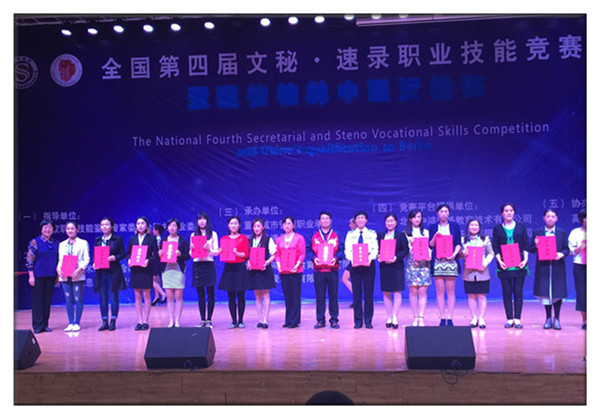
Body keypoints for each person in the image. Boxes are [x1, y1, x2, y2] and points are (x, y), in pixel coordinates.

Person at [530, 209, 569, 330]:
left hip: (558, 266)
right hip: (543, 266)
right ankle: (548, 318)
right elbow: (531, 249)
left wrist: (562, 254)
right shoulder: (538, 232)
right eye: (548, 216)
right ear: (544, 218)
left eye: (553, 216)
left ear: (556, 218)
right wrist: (536, 245)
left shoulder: (562, 233)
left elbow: (566, 249)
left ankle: (557, 318)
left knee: (558, 292)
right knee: (546, 293)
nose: (550, 218)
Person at [492, 203, 530, 329]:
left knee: (518, 292)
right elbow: (495, 246)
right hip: (504, 265)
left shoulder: (521, 227)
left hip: (519, 264)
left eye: (511, 210)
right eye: (506, 211)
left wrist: (525, 260)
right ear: (501, 213)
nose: (509, 213)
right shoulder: (497, 228)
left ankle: (517, 319)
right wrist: (500, 261)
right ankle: (509, 319)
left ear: (514, 212)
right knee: (507, 292)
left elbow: (526, 244)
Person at [428, 204, 462, 326]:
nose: (443, 213)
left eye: (446, 211)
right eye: (441, 211)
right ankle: (442, 317)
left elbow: (458, 243)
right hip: (438, 262)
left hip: (451, 261)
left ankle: (450, 317)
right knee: (440, 290)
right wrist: (434, 237)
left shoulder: (455, 226)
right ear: (437, 213)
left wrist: (454, 254)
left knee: (451, 290)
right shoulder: (433, 227)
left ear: (449, 213)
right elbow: (430, 245)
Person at [344, 211, 378, 329]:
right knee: (357, 294)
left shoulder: (372, 233)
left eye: (362, 218)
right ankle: (358, 321)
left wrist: (369, 259)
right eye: (358, 218)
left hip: (369, 265)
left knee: (369, 293)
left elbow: (375, 249)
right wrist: (352, 260)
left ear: (366, 220)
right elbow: (347, 250)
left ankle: (368, 320)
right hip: (355, 266)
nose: (360, 220)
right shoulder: (350, 234)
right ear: (355, 220)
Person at [310, 211, 344, 329]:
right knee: (320, 296)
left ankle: (334, 320)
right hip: (318, 270)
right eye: (322, 219)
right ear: (319, 221)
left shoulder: (336, 234)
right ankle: (320, 320)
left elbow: (341, 249)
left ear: (331, 220)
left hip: (333, 269)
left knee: (333, 296)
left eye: (327, 218)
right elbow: (308, 249)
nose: (325, 220)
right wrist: (314, 258)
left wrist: (336, 258)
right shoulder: (314, 235)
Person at [93, 217, 126, 331]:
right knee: (103, 297)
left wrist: (115, 257)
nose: (104, 227)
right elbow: (96, 255)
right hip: (101, 272)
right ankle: (104, 321)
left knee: (113, 296)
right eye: (102, 225)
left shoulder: (117, 239)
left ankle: (113, 321)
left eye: (107, 224)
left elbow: (123, 254)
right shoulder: (98, 240)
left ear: (112, 226)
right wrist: (95, 263)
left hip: (114, 272)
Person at [218, 216, 251, 329]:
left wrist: (236, 253)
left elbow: (245, 255)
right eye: (231, 223)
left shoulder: (243, 238)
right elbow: (223, 255)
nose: (233, 225)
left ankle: (241, 320)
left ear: (239, 225)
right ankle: (233, 321)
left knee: (241, 295)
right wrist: (220, 251)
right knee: (231, 295)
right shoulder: (224, 239)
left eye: (235, 223)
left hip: (240, 267)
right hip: (229, 268)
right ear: (228, 225)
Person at [26, 219, 59, 334]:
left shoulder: (56, 243)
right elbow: (29, 260)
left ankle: (45, 324)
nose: (47, 229)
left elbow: (58, 260)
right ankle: (37, 326)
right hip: (38, 276)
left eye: (50, 227)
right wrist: (31, 276)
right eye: (45, 227)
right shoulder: (35, 242)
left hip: (51, 275)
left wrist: (57, 276)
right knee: (38, 301)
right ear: (41, 229)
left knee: (47, 300)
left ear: (53, 230)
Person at [56, 221, 90, 332]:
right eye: (68, 229)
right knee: (68, 299)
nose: (70, 231)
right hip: (65, 276)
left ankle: (77, 323)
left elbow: (86, 259)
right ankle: (70, 322)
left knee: (78, 298)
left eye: (72, 228)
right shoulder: (62, 244)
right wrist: (58, 269)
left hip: (77, 275)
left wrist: (80, 269)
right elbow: (60, 260)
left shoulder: (83, 243)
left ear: (77, 230)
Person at [377, 213, 409, 329]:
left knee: (397, 292)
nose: (390, 223)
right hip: (385, 267)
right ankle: (389, 316)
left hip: (397, 266)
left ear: (396, 222)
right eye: (388, 221)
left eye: (392, 221)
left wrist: (396, 257)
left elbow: (405, 250)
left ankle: (395, 316)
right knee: (386, 292)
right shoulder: (380, 235)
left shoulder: (401, 235)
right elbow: (377, 249)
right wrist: (378, 255)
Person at [461, 219, 494, 329]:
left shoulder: (485, 239)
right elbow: (459, 255)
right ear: (468, 227)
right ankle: (474, 318)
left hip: (482, 271)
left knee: (481, 295)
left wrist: (485, 263)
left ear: (479, 227)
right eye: (472, 225)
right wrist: (462, 253)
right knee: (471, 295)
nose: (474, 227)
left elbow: (491, 253)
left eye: (476, 225)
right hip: (469, 272)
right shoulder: (463, 240)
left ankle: (481, 318)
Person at [127, 216, 158, 331]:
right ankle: (139, 321)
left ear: (147, 226)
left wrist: (148, 260)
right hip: (135, 270)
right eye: (138, 223)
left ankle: (146, 321)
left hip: (146, 269)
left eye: (142, 223)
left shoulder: (151, 239)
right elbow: (128, 253)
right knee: (137, 295)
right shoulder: (132, 239)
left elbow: (156, 255)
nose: (140, 225)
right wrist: (129, 260)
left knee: (146, 294)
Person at [275, 216, 306, 328]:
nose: (287, 226)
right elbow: (277, 255)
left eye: (289, 223)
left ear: (293, 225)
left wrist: (297, 265)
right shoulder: (279, 239)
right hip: (284, 271)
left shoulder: (299, 238)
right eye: (285, 224)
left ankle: (295, 320)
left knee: (295, 295)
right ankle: (288, 319)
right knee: (287, 295)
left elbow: (302, 254)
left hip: (296, 271)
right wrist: (279, 266)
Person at [158, 218, 190, 328]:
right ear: (167, 227)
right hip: (167, 270)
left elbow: (187, 256)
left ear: (178, 227)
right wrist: (160, 254)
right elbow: (160, 256)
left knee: (178, 296)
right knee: (169, 297)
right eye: (170, 226)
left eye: (174, 225)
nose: (172, 228)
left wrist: (180, 255)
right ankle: (171, 320)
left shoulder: (182, 240)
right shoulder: (163, 240)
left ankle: (177, 321)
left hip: (178, 270)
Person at [190, 212, 219, 327]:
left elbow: (216, 252)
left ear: (207, 221)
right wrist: (192, 249)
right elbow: (191, 255)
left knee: (210, 293)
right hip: (198, 265)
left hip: (209, 264)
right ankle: (202, 320)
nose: (202, 221)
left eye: (204, 219)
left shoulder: (213, 234)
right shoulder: (193, 235)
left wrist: (209, 249)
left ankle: (209, 319)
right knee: (200, 294)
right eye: (199, 219)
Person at [248, 217, 277, 328]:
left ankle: (265, 319)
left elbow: (274, 254)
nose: (256, 228)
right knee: (257, 295)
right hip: (253, 271)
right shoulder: (250, 241)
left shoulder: (268, 240)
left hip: (264, 269)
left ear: (263, 227)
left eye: (258, 226)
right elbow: (247, 256)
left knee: (265, 294)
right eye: (254, 226)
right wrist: (248, 262)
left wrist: (267, 262)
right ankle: (260, 319)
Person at [404, 209, 431, 326]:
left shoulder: (426, 232)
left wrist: (429, 255)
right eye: (414, 217)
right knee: (413, 291)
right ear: (410, 219)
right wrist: (410, 245)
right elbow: (404, 250)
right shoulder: (405, 234)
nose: (417, 219)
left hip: (424, 264)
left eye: (419, 217)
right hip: (412, 263)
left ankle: (421, 317)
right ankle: (415, 317)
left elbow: (429, 247)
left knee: (423, 291)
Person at [568, 209, 586, 330]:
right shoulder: (575, 233)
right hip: (580, 265)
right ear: (582, 219)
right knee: (582, 292)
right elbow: (570, 251)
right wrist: (579, 249)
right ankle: (585, 320)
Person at [340, 217, 356, 306]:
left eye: (351, 224)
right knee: (345, 278)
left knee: (346, 278)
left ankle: (357, 298)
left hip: (359, 260)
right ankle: (356, 298)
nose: (349, 225)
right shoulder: (350, 235)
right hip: (352, 260)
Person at [151, 224, 167, 306]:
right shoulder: (161, 238)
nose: (152, 231)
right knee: (155, 280)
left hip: (156, 261)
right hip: (158, 261)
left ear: (157, 231)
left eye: (153, 230)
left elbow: (156, 251)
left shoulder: (156, 239)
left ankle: (163, 294)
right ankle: (156, 297)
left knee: (151, 280)